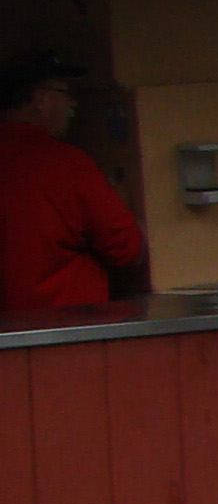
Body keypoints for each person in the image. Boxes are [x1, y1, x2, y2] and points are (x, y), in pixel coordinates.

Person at [0, 54, 146, 312]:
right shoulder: (64, 163)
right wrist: (121, 202)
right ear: (41, 100)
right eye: (66, 93)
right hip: (69, 325)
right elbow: (126, 249)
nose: (73, 104)